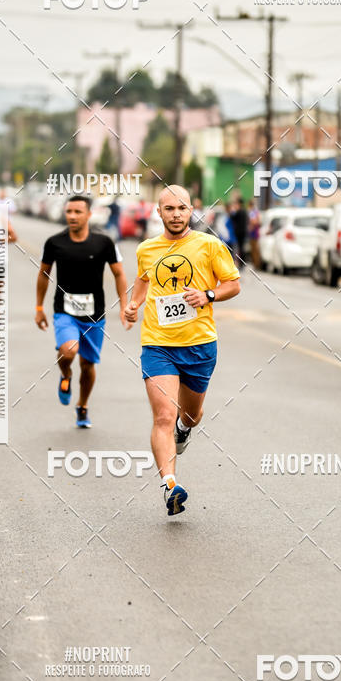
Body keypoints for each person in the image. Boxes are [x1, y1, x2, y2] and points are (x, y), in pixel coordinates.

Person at [124, 185, 240, 516]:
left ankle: (185, 430)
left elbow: (233, 284)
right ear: (157, 213)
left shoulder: (209, 245)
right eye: (169, 208)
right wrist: (134, 304)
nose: (176, 214)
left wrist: (208, 295)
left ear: (191, 211)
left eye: (182, 208)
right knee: (163, 415)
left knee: (190, 415)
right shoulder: (147, 248)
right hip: (158, 343)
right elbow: (144, 278)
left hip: (200, 345)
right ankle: (170, 486)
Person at [36, 195, 129, 428]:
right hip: (64, 311)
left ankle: (82, 406)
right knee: (68, 352)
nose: (72, 216)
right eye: (69, 212)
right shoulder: (54, 242)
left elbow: (118, 273)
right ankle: (65, 374)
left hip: (94, 314)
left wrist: (124, 304)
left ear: (89, 214)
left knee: (88, 366)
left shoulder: (104, 243)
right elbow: (43, 274)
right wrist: (39, 307)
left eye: (78, 212)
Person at [229, 197, 249, 269]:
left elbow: (232, 217)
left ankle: (241, 264)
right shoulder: (244, 211)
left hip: (240, 233)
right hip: (243, 232)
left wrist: (232, 210)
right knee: (241, 248)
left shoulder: (239, 211)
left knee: (240, 248)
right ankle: (242, 263)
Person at [247, 199, 261, 269]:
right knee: (254, 249)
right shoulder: (255, 212)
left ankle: (256, 265)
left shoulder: (253, 212)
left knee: (255, 250)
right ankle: (256, 264)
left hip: (254, 233)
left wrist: (250, 226)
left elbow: (254, 222)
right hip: (254, 233)